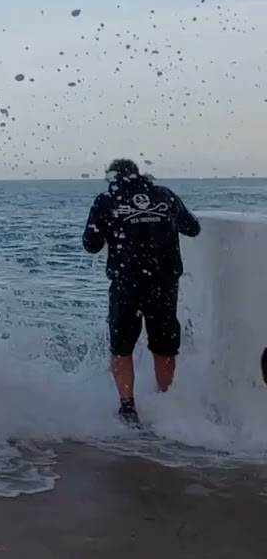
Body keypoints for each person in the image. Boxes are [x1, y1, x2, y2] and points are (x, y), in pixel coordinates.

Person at [82, 158, 201, 425]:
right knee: (164, 346)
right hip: (165, 284)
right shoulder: (165, 196)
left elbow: (90, 244)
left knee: (121, 347)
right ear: (140, 174)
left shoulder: (106, 201)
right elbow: (192, 228)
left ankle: (128, 408)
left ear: (111, 177)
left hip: (127, 284)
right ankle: (166, 402)